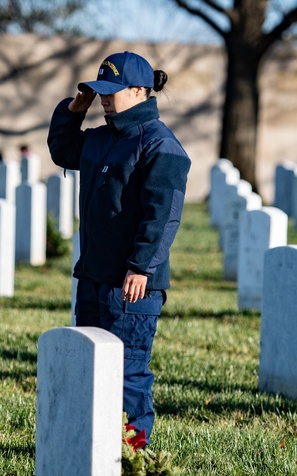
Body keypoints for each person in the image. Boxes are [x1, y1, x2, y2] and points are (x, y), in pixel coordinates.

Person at [48, 51, 191, 442]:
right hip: (94, 278)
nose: (106, 100)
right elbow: (63, 150)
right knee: (88, 368)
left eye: (113, 92)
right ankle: (89, 450)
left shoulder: (160, 145)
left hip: (131, 286)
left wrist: (141, 266)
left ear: (141, 90)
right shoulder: (100, 139)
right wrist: (75, 110)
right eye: (101, 92)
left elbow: (163, 217)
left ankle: (132, 456)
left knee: (128, 376)